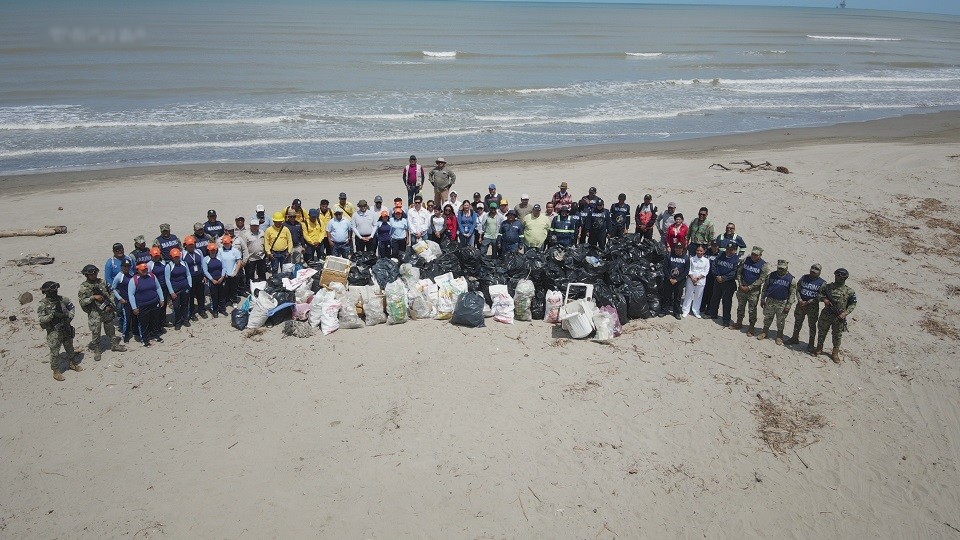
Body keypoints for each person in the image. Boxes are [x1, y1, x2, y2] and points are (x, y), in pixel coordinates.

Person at [78, 264, 126, 362]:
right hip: (95, 312)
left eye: (95, 273)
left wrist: (110, 304)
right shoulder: (84, 287)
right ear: (86, 275)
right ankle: (97, 350)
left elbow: (111, 292)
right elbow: (82, 302)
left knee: (110, 329)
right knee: (96, 331)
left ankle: (114, 345)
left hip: (106, 310)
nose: (94, 275)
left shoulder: (102, 282)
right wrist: (93, 297)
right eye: (91, 274)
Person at [38, 281, 81, 381]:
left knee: (70, 347)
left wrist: (70, 317)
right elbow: (41, 319)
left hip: (65, 328)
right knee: (55, 352)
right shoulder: (43, 304)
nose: (55, 292)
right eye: (52, 291)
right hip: (54, 331)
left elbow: (71, 308)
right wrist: (51, 316)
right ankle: (56, 371)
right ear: (46, 292)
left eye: (56, 290)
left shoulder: (63, 299)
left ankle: (72, 363)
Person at [814, 268, 858, 363]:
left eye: (840, 276)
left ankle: (835, 353)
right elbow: (818, 295)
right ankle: (819, 348)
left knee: (837, 335)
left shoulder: (849, 291)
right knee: (822, 331)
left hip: (838, 317)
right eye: (836, 275)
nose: (838, 278)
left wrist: (845, 313)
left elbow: (853, 304)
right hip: (826, 314)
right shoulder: (827, 287)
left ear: (845, 278)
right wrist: (824, 299)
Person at [787, 263, 826, 352]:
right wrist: (800, 300)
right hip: (800, 305)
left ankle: (811, 343)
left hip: (812, 307)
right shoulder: (804, 277)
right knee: (798, 322)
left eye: (815, 272)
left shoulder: (822, 283)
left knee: (812, 325)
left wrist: (808, 302)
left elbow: (821, 297)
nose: (813, 273)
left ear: (819, 272)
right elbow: (798, 289)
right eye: (812, 271)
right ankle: (794, 338)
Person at [732, 246, 769, 335]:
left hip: (753, 291)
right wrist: (740, 284)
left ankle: (751, 327)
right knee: (740, 307)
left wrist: (749, 287)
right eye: (752, 254)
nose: (753, 256)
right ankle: (739, 322)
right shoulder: (746, 260)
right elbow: (739, 272)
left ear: (760, 255)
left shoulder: (764, 265)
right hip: (742, 288)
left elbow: (761, 279)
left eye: (756, 255)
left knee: (752, 310)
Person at [759, 260, 797, 345]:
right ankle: (764, 332)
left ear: (786, 268)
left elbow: (792, 294)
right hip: (770, 300)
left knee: (780, 320)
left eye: (782, 268)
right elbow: (765, 287)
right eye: (779, 268)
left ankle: (779, 336)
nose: (780, 270)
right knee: (768, 317)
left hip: (782, 302)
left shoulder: (791, 279)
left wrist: (788, 305)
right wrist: (762, 298)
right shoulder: (771, 276)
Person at [128, 262, 165, 346]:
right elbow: (131, 295)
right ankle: (145, 339)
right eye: (142, 270)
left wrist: (161, 299)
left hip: (154, 302)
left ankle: (155, 335)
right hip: (142, 305)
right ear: (138, 270)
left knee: (155, 320)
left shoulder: (152, 276)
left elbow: (158, 287)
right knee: (144, 323)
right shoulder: (134, 280)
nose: (145, 271)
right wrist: (134, 307)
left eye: (145, 269)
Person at [707, 243, 740, 326]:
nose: (729, 251)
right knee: (715, 298)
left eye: (731, 250)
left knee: (726, 302)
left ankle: (726, 320)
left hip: (728, 283)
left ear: (735, 250)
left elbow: (734, 272)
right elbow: (714, 265)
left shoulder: (737, 259)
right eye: (727, 249)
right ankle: (713, 314)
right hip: (717, 280)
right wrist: (717, 276)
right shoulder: (721, 255)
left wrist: (724, 278)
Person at [164, 248, 193, 330]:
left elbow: (188, 275)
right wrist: (171, 292)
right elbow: (167, 280)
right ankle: (178, 321)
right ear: (171, 257)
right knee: (176, 307)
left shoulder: (184, 263)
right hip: (175, 290)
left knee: (185, 305)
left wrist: (189, 285)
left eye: (178, 256)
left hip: (185, 288)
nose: (176, 258)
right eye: (175, 257)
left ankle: (185, 319)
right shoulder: (169, 266)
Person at [661, 242, 690, 319]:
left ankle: (676, 312)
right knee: (666, 295)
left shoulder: (686, 258)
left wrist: (677, 279)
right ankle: (664, 311)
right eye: (677, 248)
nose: (678, 249)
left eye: (680, 248)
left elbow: (686, 271)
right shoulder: (669, 255)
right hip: (669, 279)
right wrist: (670, 278)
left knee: (678, 297)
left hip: (679, 281)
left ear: (682, 249)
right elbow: (665, 268)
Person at [111, 259, 135, 343]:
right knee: (127, 319)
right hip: (125, 301)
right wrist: (120, 299)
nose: (127, 268)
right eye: (125, 266)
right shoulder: (119, 276)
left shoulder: (132, 273)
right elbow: (113, 289)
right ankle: (126, 335)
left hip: (134, 300)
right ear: (121, 267)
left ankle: (135, 332)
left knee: (135, 316)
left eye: (128, 266)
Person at [681, 245, 710, 318]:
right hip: (691, 280)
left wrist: (698, 278)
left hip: (701, 281)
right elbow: (689, 269)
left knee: (698, 297)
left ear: (704, 251)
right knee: (688, 295)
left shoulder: (706, 261)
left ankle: (696, 311)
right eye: (698, 250)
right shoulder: (691, 259)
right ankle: (685, 310)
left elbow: (706, 271)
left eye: (701, 251)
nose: (699, 252)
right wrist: (692, 278)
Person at [182, 236, 207, 319]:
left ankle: (202, 310)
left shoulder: (199, 251)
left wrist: (204, 275)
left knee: (201, 294)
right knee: (191, 296)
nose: (191, 246)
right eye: (189, 245)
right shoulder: (183, 254)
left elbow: (202, 264)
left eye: (192, 244)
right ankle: (192, 313)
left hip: (199, 276)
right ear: (185, 245)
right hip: (190, 277)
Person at [202, 243, 227, 317]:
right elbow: (205, 271)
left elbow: (224, 267)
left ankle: (222, 309)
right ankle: (215, 311)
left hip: (221, 279)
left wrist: (222, 277)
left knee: (222, 295)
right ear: (208, 251)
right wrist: (212, 279)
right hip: (212, 280)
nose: (212, 251)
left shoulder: (220, 257)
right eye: (211, 250)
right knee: (214, 296)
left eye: (214, 250)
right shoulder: (206, 259)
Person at [219, 235, 245, 305]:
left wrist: (236, 272)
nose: (226, 245)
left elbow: (239, 262)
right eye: (224, 243)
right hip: (224, 274)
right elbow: (219, 262)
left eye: (227, 243)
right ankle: (227, 300)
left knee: (234, 288)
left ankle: (234, 301)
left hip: (233, 273)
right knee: (225, 289)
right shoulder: (219, 251)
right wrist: (223, 273)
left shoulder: (235, 251)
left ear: (231, 242)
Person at [700, 240, 721, 316]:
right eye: (712, 246)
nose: (713, 247)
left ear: (718, 246)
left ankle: (709, 308)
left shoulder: (721, 254)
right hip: (705, 275)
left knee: (712, 293)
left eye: (715, 246)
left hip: (714, 276)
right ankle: (701, 306)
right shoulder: (706, 252)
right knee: (703, 291)